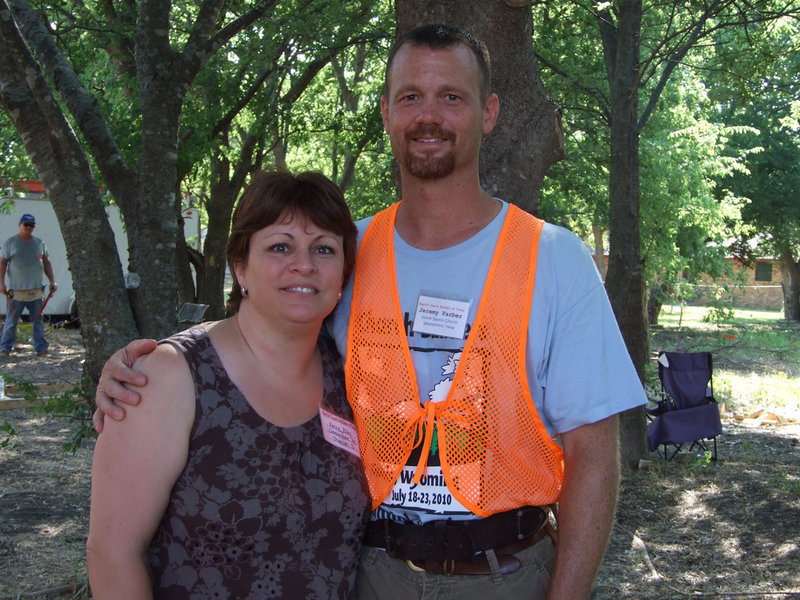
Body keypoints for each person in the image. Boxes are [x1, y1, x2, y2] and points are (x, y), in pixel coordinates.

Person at [93, 24, 647, 600]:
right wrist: (154, 364)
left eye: (451, 97)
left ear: (489, 113)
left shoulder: (554, 258)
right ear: (386, 112)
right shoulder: (344, 255)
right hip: (373, 575)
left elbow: (593, 454)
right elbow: (268, 338)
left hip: (509, 573)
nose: (428, 116)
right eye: (411, 97)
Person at [86, 170, 370, 599]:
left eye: (324, 249)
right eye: (280, 246)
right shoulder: (169, 377)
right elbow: (112, 553)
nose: (304, 264)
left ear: (343, 275)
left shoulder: (354, 373)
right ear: (241, 268)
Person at [0, 213, 57, 357]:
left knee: (38, 321)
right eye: (26, 225)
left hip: (36, 291)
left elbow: (46, 262)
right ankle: (5, 348)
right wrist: (1, 283)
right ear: (20, 225)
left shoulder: (39, 243)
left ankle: (41, 348)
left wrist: (52, 281)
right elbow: (2, 263)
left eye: (32, 225)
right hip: (16, 291)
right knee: (11, 321)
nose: (29, 228)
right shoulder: (11, 243)